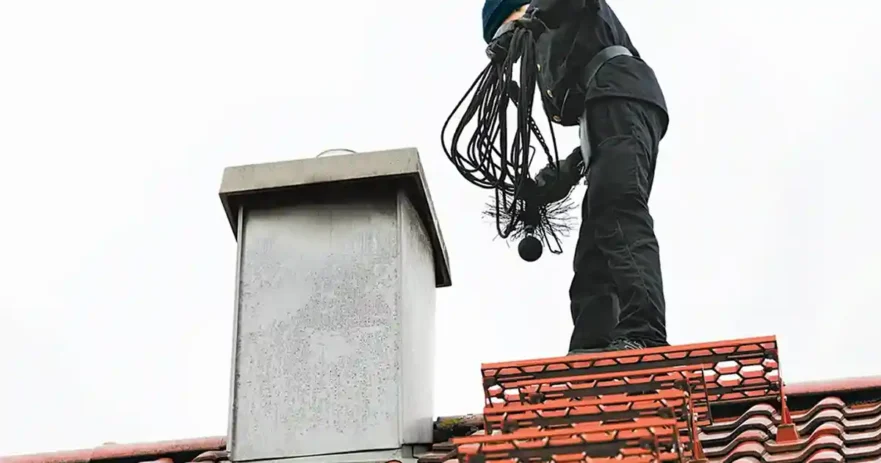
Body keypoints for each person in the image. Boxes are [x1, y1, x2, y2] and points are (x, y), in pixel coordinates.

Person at [482, 0, 670, 353]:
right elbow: (594, 138)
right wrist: (558, 178)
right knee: (593, 248)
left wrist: (527, 20)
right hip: (610, 109)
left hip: (621, 96)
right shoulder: (549, 46)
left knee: (617, 213)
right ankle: (590, 347)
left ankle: (645, 334)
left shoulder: (552, 11)